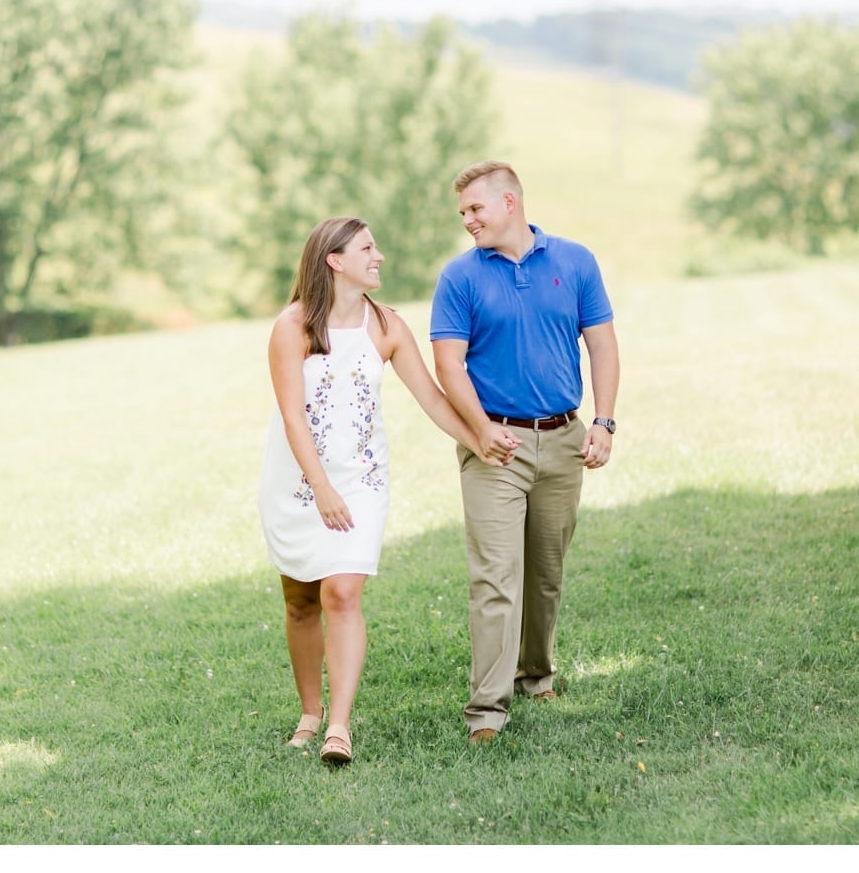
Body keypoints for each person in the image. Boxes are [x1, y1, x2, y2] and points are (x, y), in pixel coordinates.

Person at [258, 216, 503, 765]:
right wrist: (319, 487)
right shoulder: (291, 327)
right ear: (334, 261)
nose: (380, 257)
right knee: (300, 600)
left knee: (341, 593)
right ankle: (310, 712)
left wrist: (480, 437)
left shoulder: (387, 326)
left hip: (361, 479)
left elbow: (434, 399)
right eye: (368, 248)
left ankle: (338, 728)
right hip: (298, 482)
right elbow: (292, 417)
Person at [430, 161, 620, 744]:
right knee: (495, 578)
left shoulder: (575, 262)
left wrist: (604, 423)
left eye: (475, 210)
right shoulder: (459, 279)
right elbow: (447, 363)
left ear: (509, 203)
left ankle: (535, 674)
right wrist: (481, 430)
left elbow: (604, 348)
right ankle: (488, 710)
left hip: (564, 439)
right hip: (495, 448)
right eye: (462, 212)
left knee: (545, 574)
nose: (467, 221)